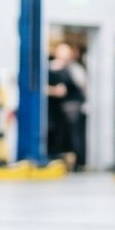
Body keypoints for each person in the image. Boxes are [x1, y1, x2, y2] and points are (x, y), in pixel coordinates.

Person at [46, 42, 88, 170]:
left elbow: (80, 86)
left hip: (72, 108)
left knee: (75, 137)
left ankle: (78, 164)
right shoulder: (48, 68)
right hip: (54, 110)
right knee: (56, 135)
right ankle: (56, 159)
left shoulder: (75, 69)